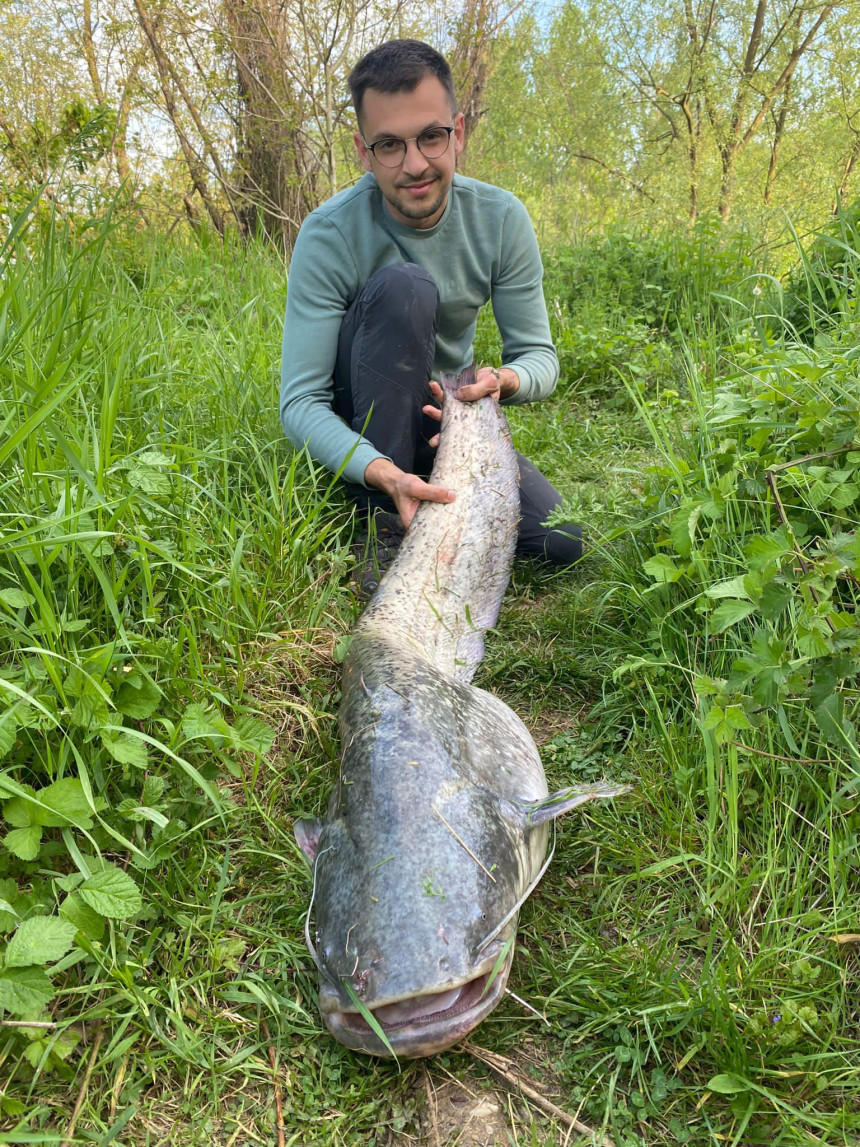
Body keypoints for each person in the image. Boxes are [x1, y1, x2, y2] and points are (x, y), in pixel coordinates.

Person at [280, 38, 582, 594]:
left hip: (448, 416)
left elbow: (540, 358)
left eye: (431, 137)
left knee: (561, 540)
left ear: (458, 133)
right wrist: (380, 470)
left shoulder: (500, 218)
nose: (414, 164)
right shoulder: (328, 233)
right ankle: (384, 515)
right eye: (389, 145)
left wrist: (504, 382)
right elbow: (300, 403)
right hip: (361, 417)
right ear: (362, 150)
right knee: (407, 285)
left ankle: (428, 478)